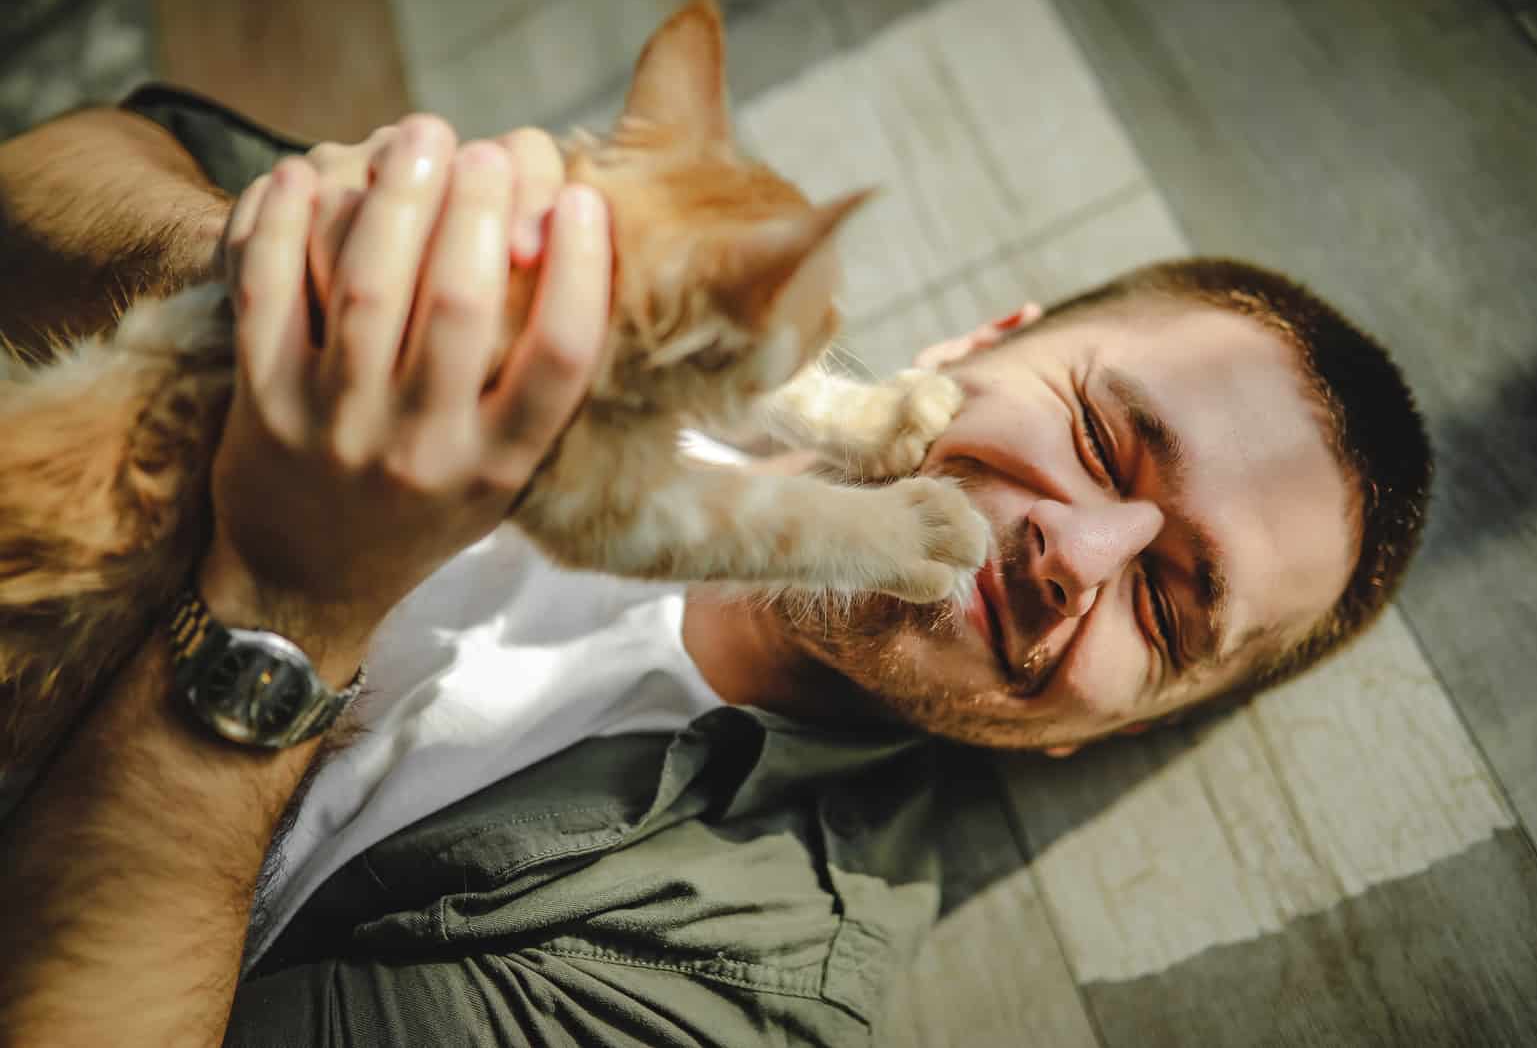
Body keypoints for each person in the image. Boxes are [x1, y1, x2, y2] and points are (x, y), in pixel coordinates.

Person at [0, 92, 1430, 1046]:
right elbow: (52, 177)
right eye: (1105, 437)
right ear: (970, 347)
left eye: (1171, 607)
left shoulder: (749, 988)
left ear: (1108, 729)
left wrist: (290, 614)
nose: (1079, 553)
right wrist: (255, 276)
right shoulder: (650, 276)